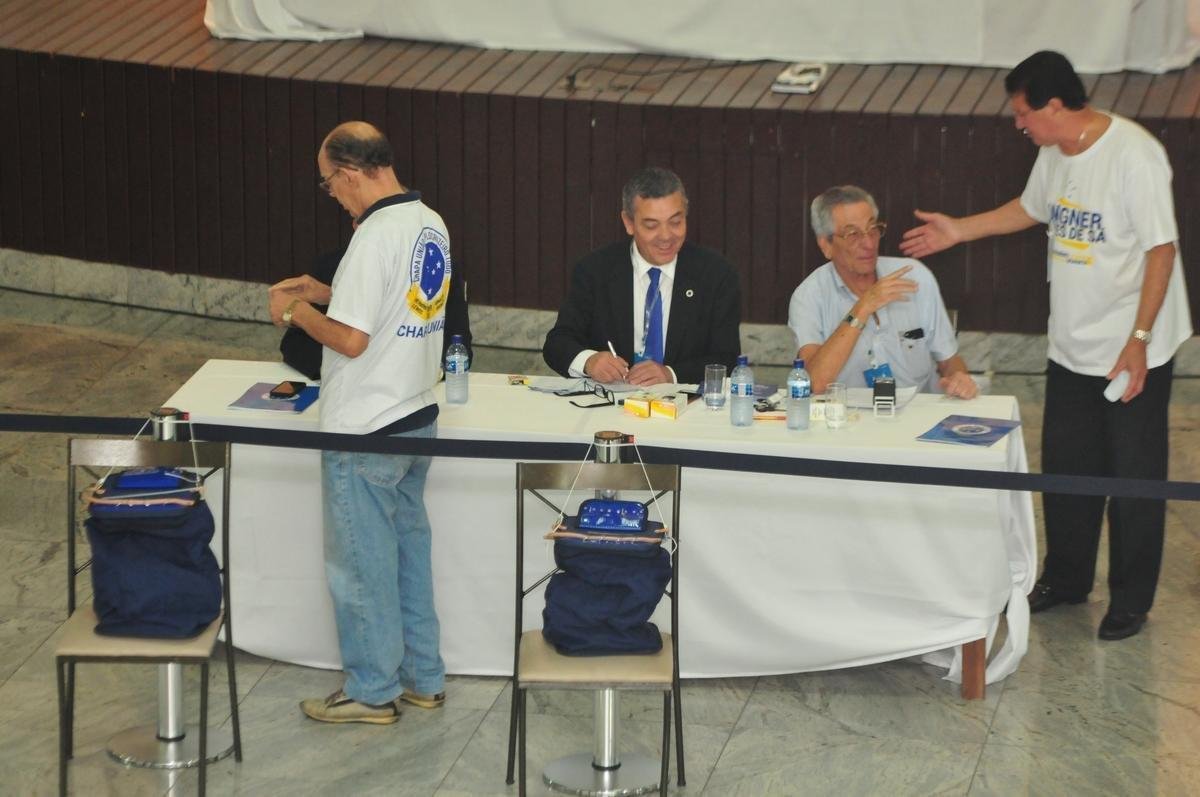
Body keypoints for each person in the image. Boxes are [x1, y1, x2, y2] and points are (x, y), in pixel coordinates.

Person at [900, 50, 1192, 641]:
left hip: (1134, 346)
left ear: (1055, 106)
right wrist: (959, 229)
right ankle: (1067, 578)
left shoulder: (1135, 155)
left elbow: (1162, 249)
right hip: (1073, 344)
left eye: (1024, 113)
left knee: (1133, 479)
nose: (1019, 124)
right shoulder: (1054, 152)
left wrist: (1138, 341)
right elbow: (1031, 209)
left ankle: (1131, 599)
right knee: (1067, 467)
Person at [268, 121, 449, 722]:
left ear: (349, 174)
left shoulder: (373, 236)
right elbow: (401, 300)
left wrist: (295, 310)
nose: (334, 195)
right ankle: (424, 677)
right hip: (417, 411)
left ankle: (372, 692)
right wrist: (331, 287)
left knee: (361, 568)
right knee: (407, 557)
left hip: (366, 423)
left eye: (329, 185)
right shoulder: (430, 221)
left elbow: (350, 338)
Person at [542, 167, 741, 386]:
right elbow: (557, 343)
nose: (666, 236)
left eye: (676, 222)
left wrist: (670, 374)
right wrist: (589, 361)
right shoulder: (595, 271)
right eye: (651, 225)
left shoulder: (716, 275)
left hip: (686, 408)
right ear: (628, 223)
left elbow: (727, 358)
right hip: (611, 407)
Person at [787, 185, 977, 397]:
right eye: (852, 234)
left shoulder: (915, 277)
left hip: (919, 415)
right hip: (847, 420)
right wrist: (862, 308)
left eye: (873, 229)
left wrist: (959, 377)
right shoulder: (809, 297)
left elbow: (950, 361)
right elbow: (815, 383)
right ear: (826, 245)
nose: (868, 243)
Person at [279, 246, 472, 381]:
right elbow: (295, 346)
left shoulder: (437, 269)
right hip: (345, 400)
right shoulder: (332, 266)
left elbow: (457, 349)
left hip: (417, 397)